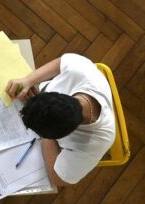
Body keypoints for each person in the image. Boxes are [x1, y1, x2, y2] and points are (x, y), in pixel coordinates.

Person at [6, 53, 115, 186]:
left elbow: (58, 180)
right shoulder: (82, 72)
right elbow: (61, 62)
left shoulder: (93, 144)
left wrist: (47, 138)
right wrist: (28, 80)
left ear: (67, 135)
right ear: (60, 95)